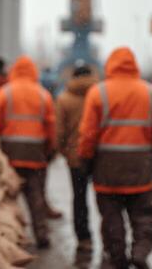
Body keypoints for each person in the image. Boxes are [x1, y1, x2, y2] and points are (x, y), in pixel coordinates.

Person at [78, 47, 152, 269]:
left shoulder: (98, 93)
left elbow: (88, 134)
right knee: (143, 215)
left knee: (111, 217)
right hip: (140, 167)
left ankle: (116, 257)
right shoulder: (151, 93)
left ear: (110, 65)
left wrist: (85, 160)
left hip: (107, 168)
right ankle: (140, 252)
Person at [0, 55, 56, 249]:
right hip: (36, 154)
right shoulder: (43, 94)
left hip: (10, 153)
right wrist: (49, 149)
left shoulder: (5, 93)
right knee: (36, 197)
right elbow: (51, 127)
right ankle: (41, 234)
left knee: (9, 196)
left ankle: (11, 238)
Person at [56, 64, 98, 263]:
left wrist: (66, 152)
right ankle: (111, 240)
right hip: (100, 156)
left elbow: (60, 133)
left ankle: (84, 239)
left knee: (79, 199)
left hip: (76, 158)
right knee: (108, 201)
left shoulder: (64, 98)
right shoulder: (100, 95)